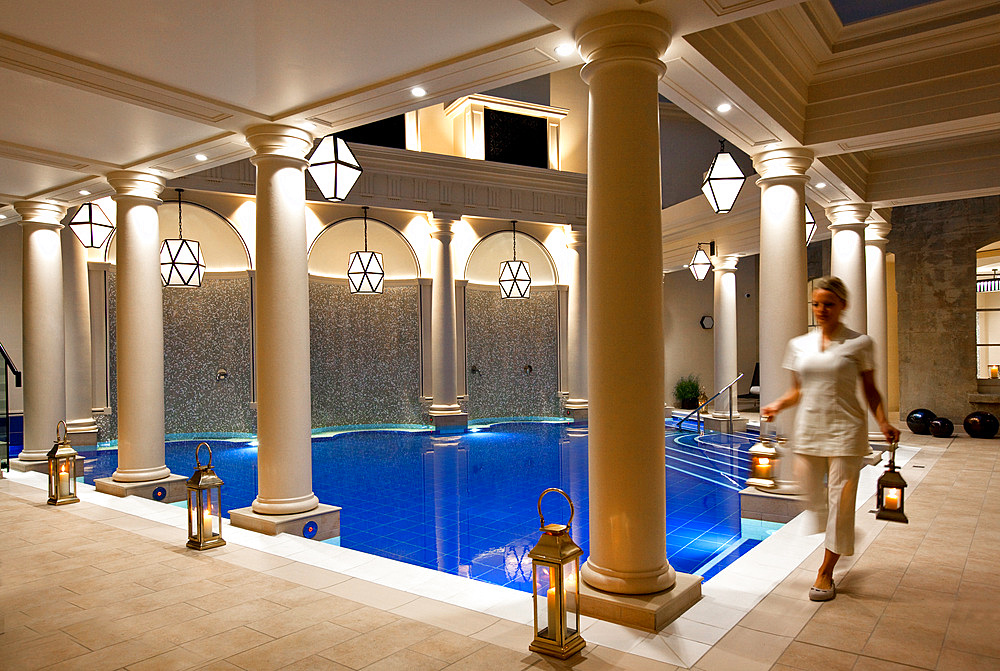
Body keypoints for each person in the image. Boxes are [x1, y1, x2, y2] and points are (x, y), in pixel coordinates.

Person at [760, 276, 900, 601]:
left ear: (842, 306)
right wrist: (777, 404)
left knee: (841, 501)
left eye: (828, 304)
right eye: (816, 304)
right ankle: (841, 529)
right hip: (809, 429)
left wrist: (883, 421)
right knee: (806, 489)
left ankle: (825, 572)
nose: (821, 309)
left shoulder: (859, 343)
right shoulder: (799, 344)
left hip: (847, 431)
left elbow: (869, 390)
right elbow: (798, 390)